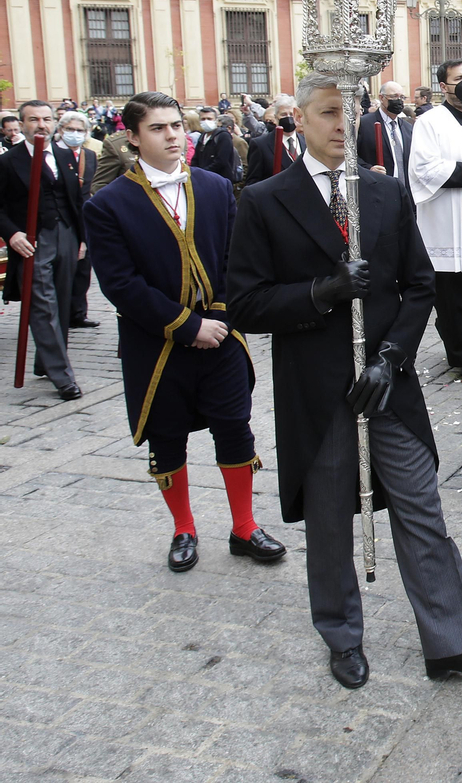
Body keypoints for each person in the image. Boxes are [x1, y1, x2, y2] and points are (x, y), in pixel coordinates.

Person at [228, 74, 462, 690]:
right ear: (298, 120)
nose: (340, 125)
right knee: (330, 520)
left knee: (421, 508)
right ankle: (341, 635)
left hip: (388, 387)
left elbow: (420, 285)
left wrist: (390, 357)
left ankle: (452, 643)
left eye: (348, 113)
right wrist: (320, 293)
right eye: (327, 113)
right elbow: (245, 303)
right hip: (318, 392)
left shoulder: (384, 193)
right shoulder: (267, 201)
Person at [82, 92, 283, 572]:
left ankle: (243, 526)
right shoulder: (108, 205)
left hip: (221, 336)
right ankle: (184, 528)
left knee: (234, 428)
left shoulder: (214, 187)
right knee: (166, 437)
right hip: (156, 343)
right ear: (132, 138)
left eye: (176, 126)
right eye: (158, 128)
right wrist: (186, 326)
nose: (173, 135)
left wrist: (219, 318)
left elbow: (240, 259)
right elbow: (121, 285)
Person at [409, 60, 462, 385]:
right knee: (453, 294)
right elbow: (426, 169)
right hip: (445, 223)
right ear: (443, 87)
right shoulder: (429, 123)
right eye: (459, 79)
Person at [0, 100, 86, 399]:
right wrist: (12, 234)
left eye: (47, 119)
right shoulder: (8, 161)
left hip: (66, 235)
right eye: (34, 119)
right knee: (43, 304)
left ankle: (44, 361)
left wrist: (82, 238)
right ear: (22, 124)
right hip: (32, 241)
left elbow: (76, 200)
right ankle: (63, 376)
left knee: (62, 303)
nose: (42, 125)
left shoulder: (65, 156)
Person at [55, 110, 100, 329]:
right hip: (61, 217)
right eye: (70, 129)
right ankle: (59, 313)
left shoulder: (89, 155)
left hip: (84, 217)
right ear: (60, 130)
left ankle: (78, 313)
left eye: (80, 130)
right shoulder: (52, 153)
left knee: (83, 269)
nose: (75, 134)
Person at [357, 81, 413, 192]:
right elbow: (351, 155)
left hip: (405, 191)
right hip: (376, 189)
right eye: (394, 96)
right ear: (382, 98)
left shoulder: (408, 128)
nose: (399, 100)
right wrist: (369, 169)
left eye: (402, 97)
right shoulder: (364, 124)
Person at [244, 95, 304, 185]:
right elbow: (252, 182)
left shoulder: (307, 142)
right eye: (283, 114)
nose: (288, 118)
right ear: (275, 118)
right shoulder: (260, 145)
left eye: (291, 114)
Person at [190, 106, 239, 181]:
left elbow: (221, 161)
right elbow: (196, 158)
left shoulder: (223, 136)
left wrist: (203, 172)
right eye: (203, 119)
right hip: (203, 179)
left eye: (209, 119)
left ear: (216, 120)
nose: (206, 121)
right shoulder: (202, 136)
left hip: (219, 179)